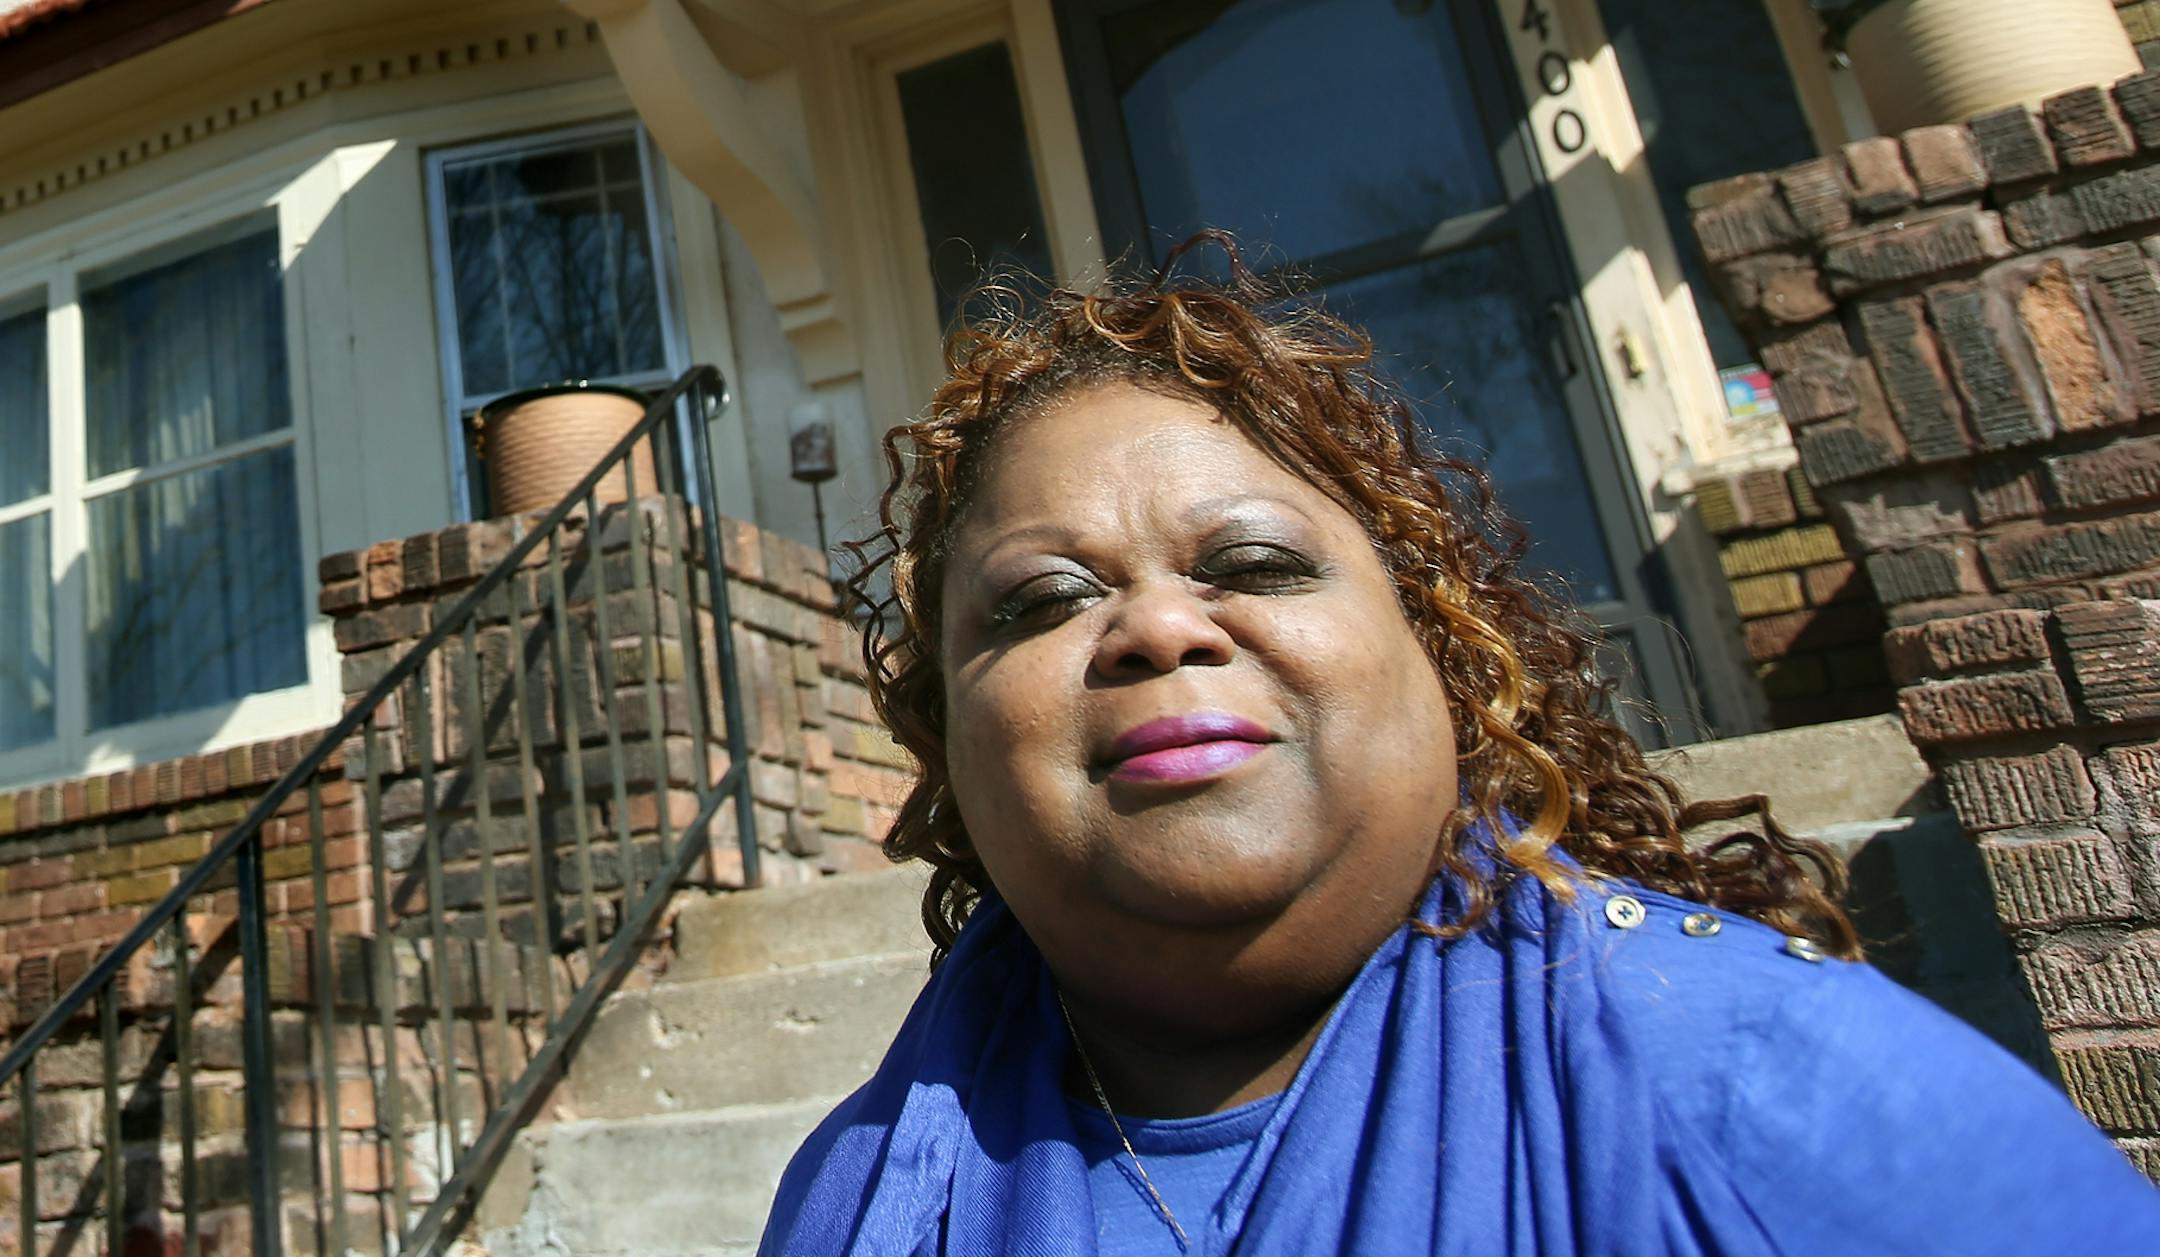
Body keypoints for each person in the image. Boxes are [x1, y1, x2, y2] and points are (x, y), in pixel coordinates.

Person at [757, 240, 2160, 1256]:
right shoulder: (863, 1196)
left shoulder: (1770, 1088)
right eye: (1046, 600)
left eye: (1251, 559)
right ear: (942, 744)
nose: (1159, 630)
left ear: (1448, 659)